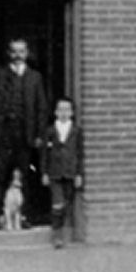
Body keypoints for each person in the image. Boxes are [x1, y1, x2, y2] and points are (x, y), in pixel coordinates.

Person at [0, 38, 49, 229]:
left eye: (21, 51)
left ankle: (25, 215)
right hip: (3, 133)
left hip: (25, 134)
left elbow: (41, 108)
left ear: (27, 53)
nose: (17, 55)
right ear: (8, 53)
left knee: (26, 175)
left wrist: (39, 134)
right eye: (14, 51)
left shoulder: (35, 78)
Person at [41, 96, 83, 248]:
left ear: (71, 112)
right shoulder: (50, 131)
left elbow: (79, 153)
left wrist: (79, 174)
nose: (64, 113)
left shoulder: (76, 131)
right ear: (55, 112)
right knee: (57, 202)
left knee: (66, 202)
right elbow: (44, 153)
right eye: (60, 110)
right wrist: (44, 172)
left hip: (70, 171)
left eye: (67, 110)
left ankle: (62, 228)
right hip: (55, 172)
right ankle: (57, 235)